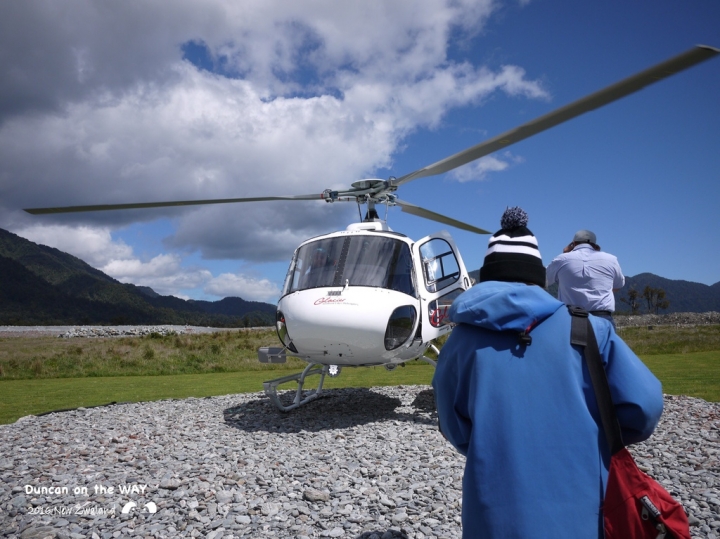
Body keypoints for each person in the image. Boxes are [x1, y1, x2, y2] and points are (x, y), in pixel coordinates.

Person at [432, 207, 663, 538]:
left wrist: (491, 442)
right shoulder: (591, 329)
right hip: (585, 508)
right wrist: (593, 435)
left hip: (492, 510)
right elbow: (646, 406)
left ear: (487, 276)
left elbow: (453, 424)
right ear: (537, 276)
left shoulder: (461, 340)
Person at [546, 229, 625, 327]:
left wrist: (565, 253)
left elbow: (544, 280)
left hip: (570, 318)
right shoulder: (611, 259)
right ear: (595, 245)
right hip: (602, 318)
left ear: (573, 243)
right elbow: (618, 286)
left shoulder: (562, 259)